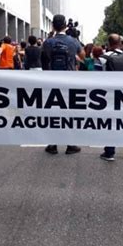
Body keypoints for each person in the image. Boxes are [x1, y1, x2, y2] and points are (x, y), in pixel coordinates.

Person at [42, 14, 84, 155]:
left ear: (53, 26)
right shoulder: (73, 41)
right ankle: (70, 144)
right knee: (69, 113)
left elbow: (45, 59)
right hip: (69, 81)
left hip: (52, 81)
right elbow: (82, 56)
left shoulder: (48, 42)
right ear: (66, 25)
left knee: (53, 113)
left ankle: (52, 144)